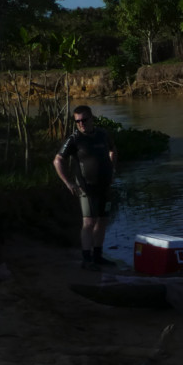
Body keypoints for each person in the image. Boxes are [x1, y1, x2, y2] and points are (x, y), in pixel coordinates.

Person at [53, 105, 118, 270]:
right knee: (89, 222)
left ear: (92, 118)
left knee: (102, 221)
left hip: (104, 185)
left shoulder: (103, 135)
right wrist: (68, 183)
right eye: (77, 121)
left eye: (84, 120)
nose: (81, 124)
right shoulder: (74, 139)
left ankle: (98, 256)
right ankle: (86, 259)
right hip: (85, 187)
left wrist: (112, 169)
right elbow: (58, 160)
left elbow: (113, 150)